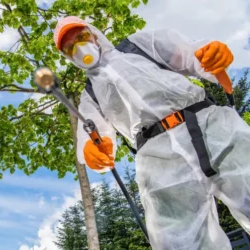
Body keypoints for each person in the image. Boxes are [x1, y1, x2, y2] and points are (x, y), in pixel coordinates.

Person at [53, 16, 250, 250]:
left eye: (82, 37)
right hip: (158, 160)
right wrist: (93, 150)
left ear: (94, 34)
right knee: (179, 240)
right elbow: (93, 133)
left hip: (211, 126)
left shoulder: (138, 45)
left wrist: (208, 53)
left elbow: (189, 54)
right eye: (69, 48)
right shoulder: (90, 95)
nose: (79, 48)